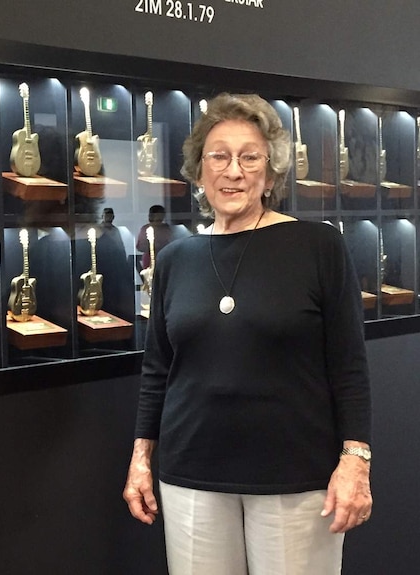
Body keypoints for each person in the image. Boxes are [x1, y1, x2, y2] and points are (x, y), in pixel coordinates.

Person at [122, 93, 372, 574]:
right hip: (191, 472)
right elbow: (157, 370)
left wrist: (355, 461)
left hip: (296, 476)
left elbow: (349, 366)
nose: (232, 171)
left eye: (249, 156)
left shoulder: (317, 246)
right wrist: (140, 458)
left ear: (271, 172)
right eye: (218, 156)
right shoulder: (176, 259)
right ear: (198, 171)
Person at [135, 205, 173, 271]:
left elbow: (172, 242)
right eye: (159, 213)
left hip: (165, 259)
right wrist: (152, 246)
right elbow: (140, 246)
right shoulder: (146, 229)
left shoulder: (167, 228)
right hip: (150, 259)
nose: (161, 216)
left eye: (162, 213)